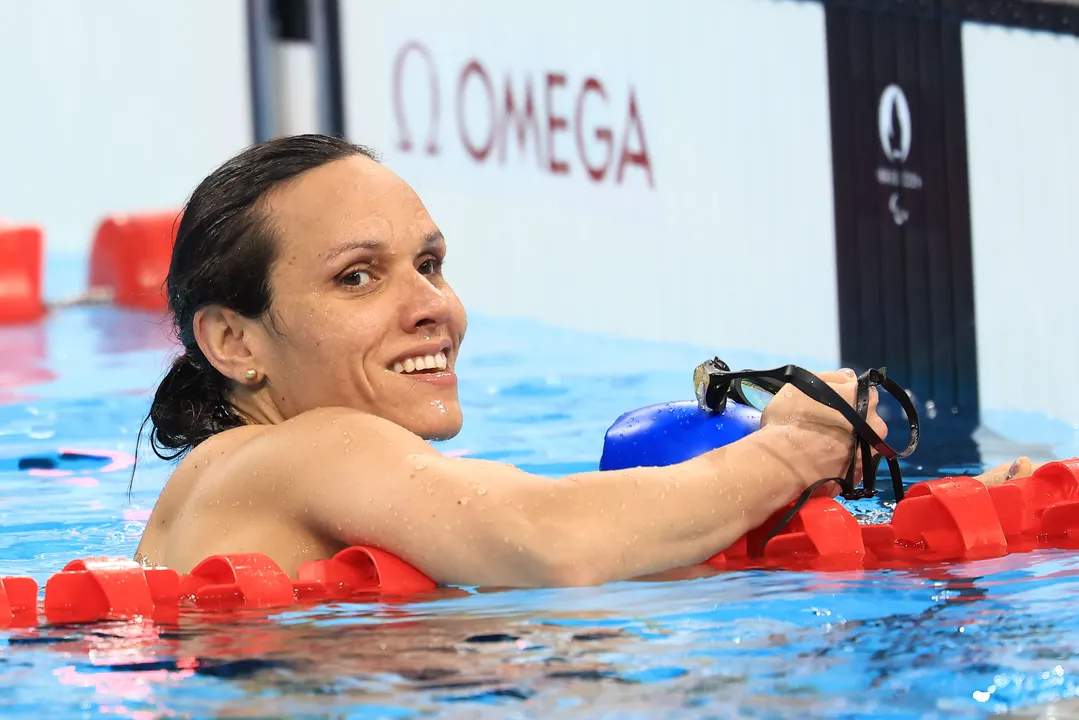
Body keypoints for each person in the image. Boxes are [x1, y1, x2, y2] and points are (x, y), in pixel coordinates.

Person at [132, 134, 1039, 587]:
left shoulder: (239, 489)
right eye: (358, 277)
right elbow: (548, 540)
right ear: (233, 341)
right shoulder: (312, 445)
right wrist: (795, 448)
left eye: (431, 265)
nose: (429, 308)